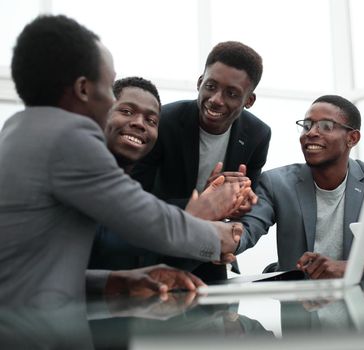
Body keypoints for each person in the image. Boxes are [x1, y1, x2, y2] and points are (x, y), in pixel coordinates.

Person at [0, 15, 242, 305]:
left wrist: (113, 281)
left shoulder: (18, 129)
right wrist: (221, 236)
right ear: (84, 90)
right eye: (109, 86)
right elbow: (150, 222)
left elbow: (31, 271)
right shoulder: (70, 137)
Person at [131, 41, 271, 281]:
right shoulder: (164, 122)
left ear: (249, 100)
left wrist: (239, 202)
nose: (216, 99)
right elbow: (134, 197)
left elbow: (245, 207)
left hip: (208, 252)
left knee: (220, 311)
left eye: (232, 93)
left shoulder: (258, 134)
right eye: (211, 86)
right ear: (199, 83)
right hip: (153, 249)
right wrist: (206, 202)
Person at [236, 95, 364, 279]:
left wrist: (349, 268)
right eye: (307, 125)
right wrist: (220, 236)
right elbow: (246, 230)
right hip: (300, 303)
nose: (311, 132)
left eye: (326, 126)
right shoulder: (276, 182)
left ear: (352, 138)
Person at [89, 76, 248, 270]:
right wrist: (194, 217)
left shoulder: (132, 190)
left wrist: (209, 243)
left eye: (152, 120)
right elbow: (100, 240)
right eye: (127, 111)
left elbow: (156, 257)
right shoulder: (81, 169)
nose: (139, 123)